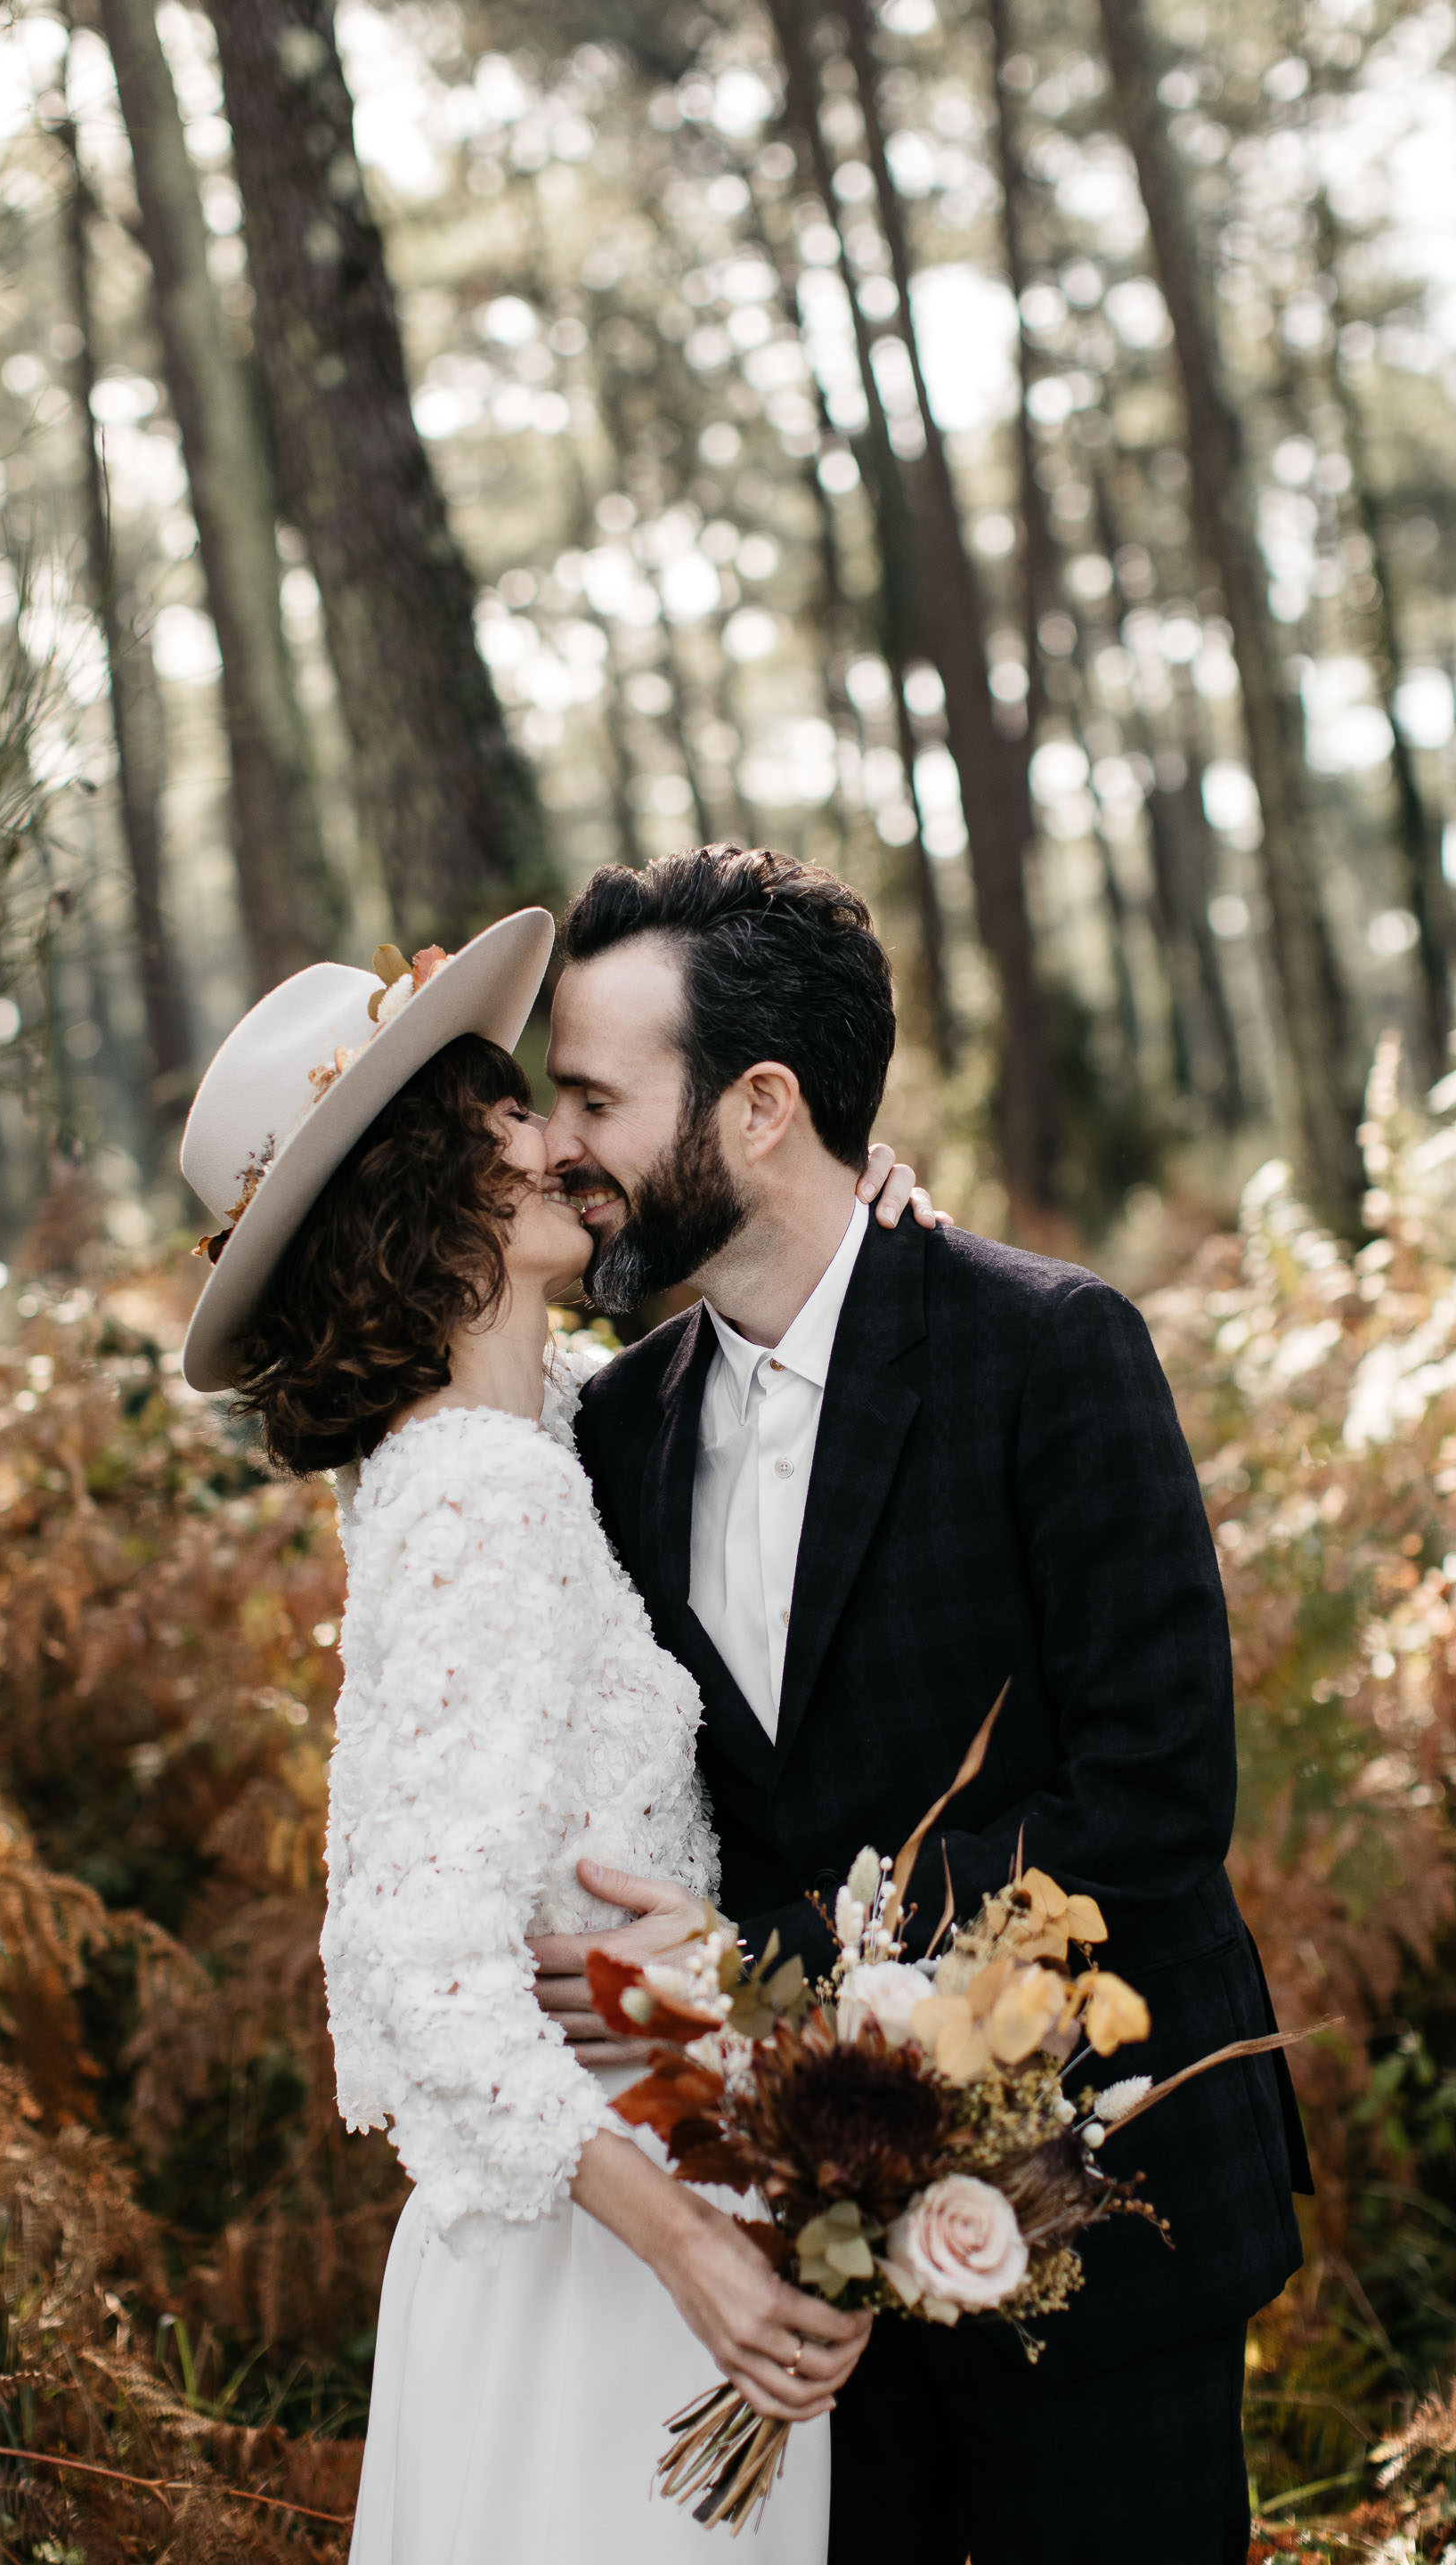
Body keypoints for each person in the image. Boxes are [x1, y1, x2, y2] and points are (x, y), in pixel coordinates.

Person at [529, 843, 1311, 2565]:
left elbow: (1160, 1800)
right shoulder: (606, 1436)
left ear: (757, 1107)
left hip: (1104, 2227)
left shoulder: (1051, 1351)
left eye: (593, 1095)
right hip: (810, 2285)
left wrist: (764, 1951)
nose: (556, 1145)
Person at [175, 909, 938, 2564]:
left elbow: (755, 1351)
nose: (554, 1139)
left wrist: (860, 1220)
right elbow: (415, 1971)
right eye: (502, 1112)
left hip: (655, 2207)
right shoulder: (478, 1502)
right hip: (609, 2271)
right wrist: (692, 2251)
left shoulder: (538, 1440)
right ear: (437, 1191)